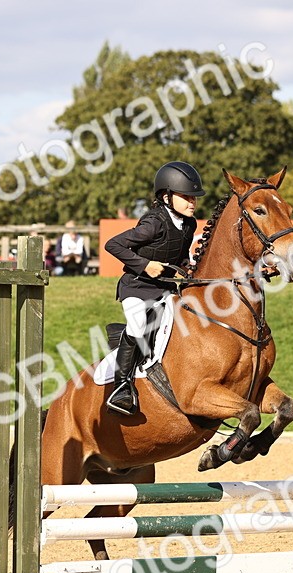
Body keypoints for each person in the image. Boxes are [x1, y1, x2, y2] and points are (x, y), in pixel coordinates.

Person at [102, 161, 204, 416]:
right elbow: (113, 245)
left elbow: (178, 255)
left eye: (194, 197)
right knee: (138, 326)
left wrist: (187, 268)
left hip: (164, 289)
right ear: (166, 196)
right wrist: (145, 265)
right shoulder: (154, 223)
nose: (192, 202)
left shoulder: (189, 225)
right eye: (186, 197)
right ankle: (121, 387)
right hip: (137, 287)